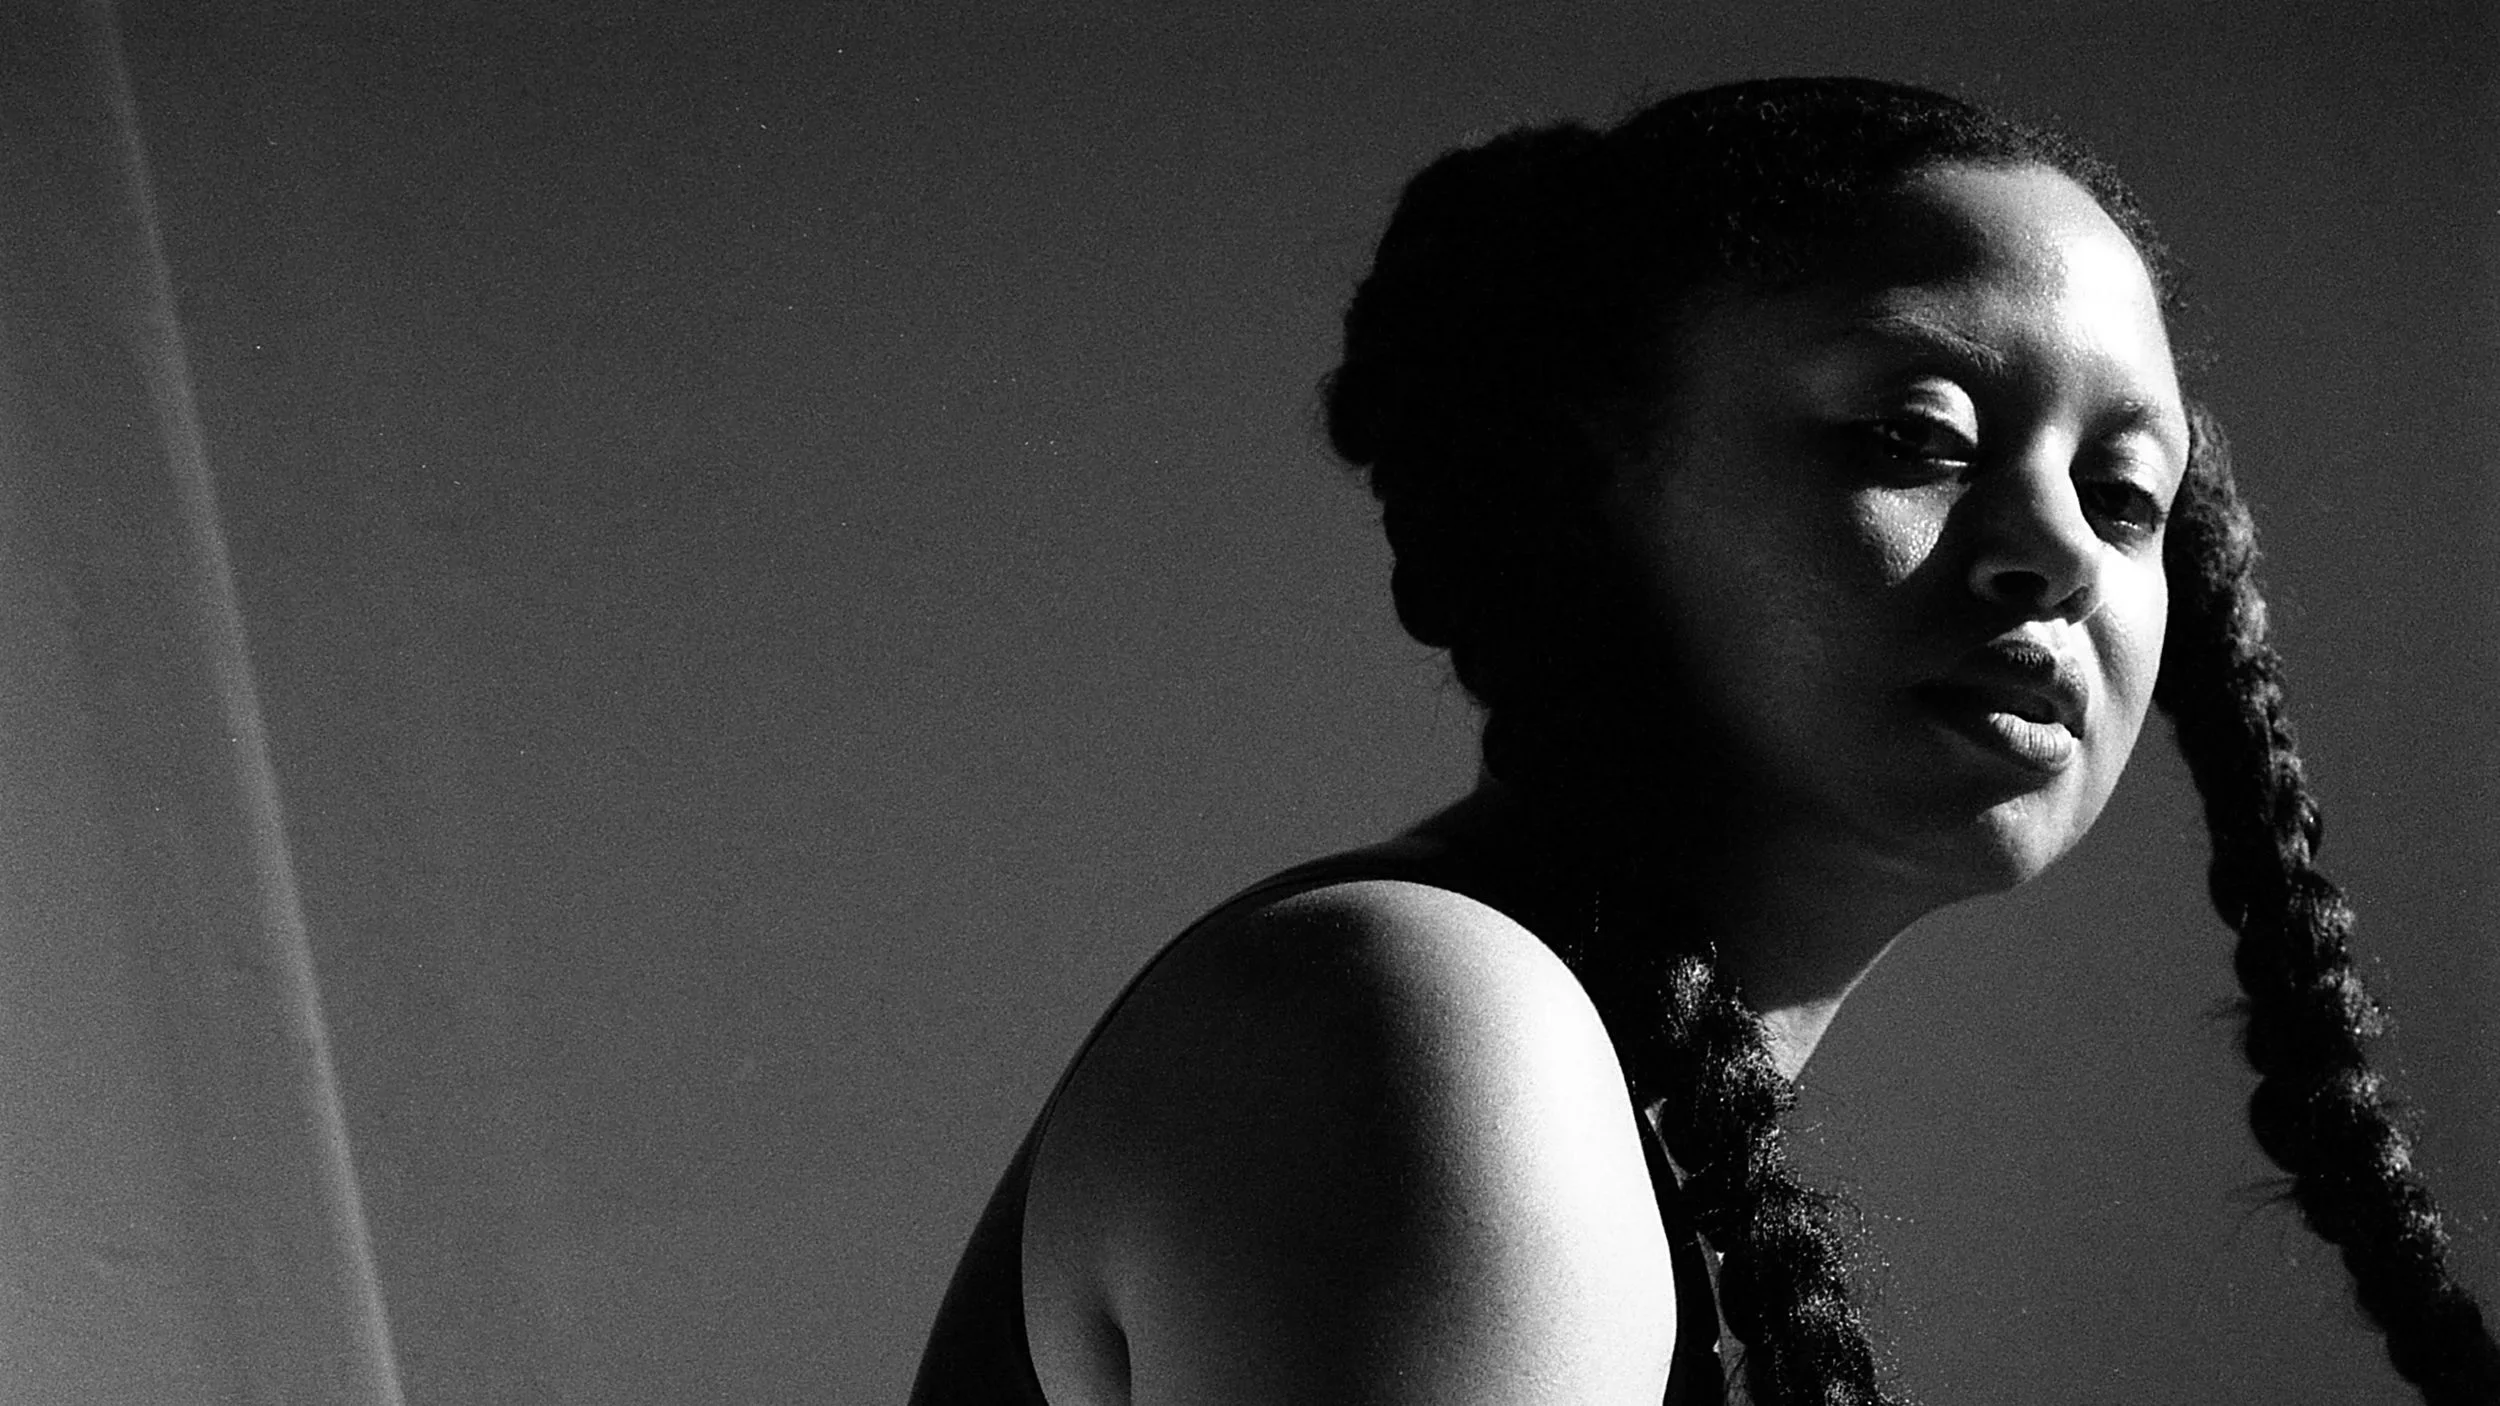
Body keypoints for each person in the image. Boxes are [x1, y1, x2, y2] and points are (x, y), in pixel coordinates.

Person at [909, 78, 2498, 1405]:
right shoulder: (1420, 1025)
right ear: (1585, 485)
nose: (2060, 553)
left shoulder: (1520, 1051)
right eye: (1914, 435)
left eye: (2127, 495)